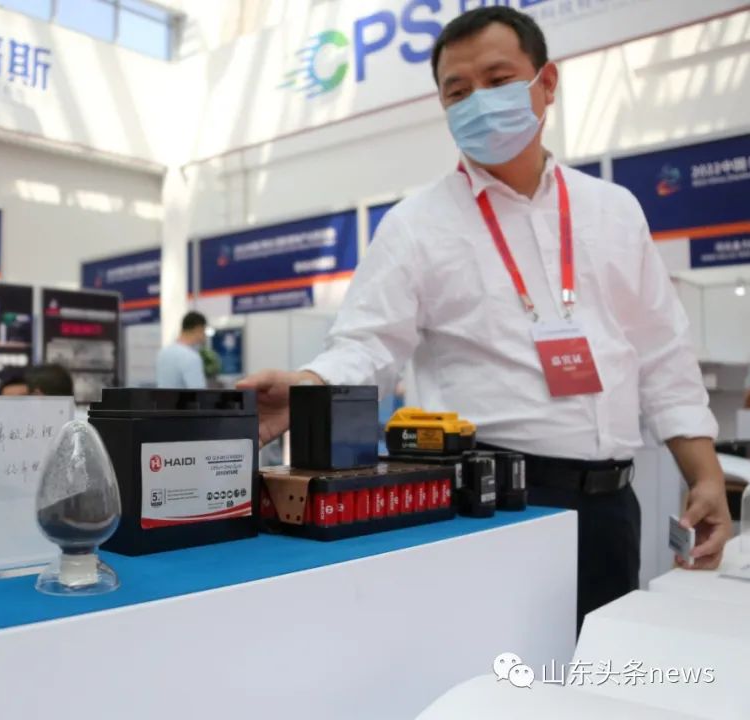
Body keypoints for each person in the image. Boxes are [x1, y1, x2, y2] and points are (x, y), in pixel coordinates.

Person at [239, 7, 731, 631]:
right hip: (489, 504)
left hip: (611, 506)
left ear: (546, 83)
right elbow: (367, 344)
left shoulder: (614, 210)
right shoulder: (416, 225)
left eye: (499, 81)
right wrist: (309, 386)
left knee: (600, 670)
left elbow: (662, 352)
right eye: (458, 91)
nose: (479, 102)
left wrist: (705, 475)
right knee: (500, 671)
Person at [156, 311, 209, 389]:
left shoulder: (162, 353)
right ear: (198, 329)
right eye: (204, 331)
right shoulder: (191, 357)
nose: (204, 335)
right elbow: (199, 391)